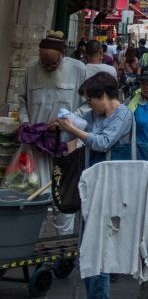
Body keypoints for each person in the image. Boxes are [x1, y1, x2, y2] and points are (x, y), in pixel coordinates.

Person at [57, 72, 134, 299]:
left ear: (102, 96)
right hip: (92, 184)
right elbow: (82, 128)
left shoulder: (123, 115)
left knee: (99, 247)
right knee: (89, 245)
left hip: (113, 187)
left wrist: (73, 130)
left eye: (91, 98)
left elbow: (101, 142)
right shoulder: (94, 115)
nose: (89, 104)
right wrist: (64, 123)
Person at [14, 33, 89, 232]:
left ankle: (62, 250)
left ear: (63, 54)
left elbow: (88, 104)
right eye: (43, 62)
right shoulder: (30, 69)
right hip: (36, 145)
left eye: (52, 63)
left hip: (67, 144)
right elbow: (21, 101)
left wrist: (67, 122)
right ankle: (32, 242)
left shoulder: (78, 69)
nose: (47, 67)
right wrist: (26, 123)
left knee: (64, 196)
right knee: (34, 194)